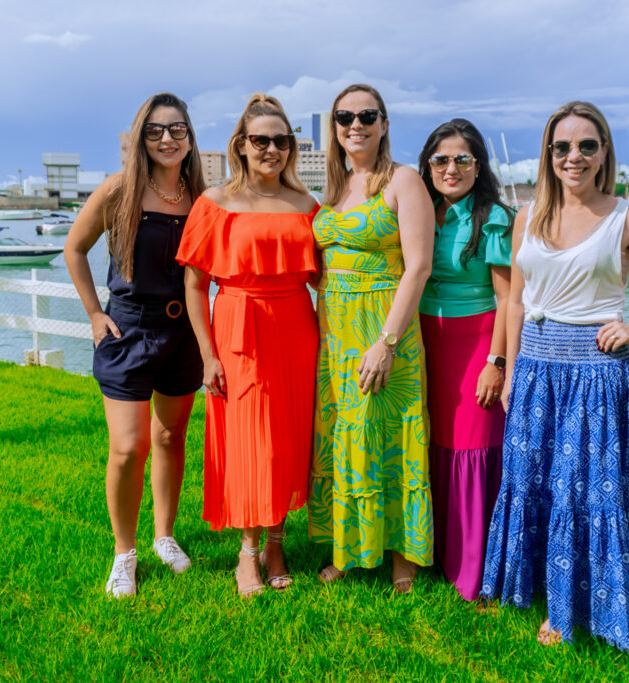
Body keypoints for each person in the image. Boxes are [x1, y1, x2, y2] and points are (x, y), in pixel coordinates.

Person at [480, 101, 629, 651]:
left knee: (583, 492)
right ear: (548, 154)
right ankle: (534, 587)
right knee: (533, 485)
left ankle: (568, 612)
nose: (573, 156)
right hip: (534, 366)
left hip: (596, 371)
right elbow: (516, 302)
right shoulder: (526, 215)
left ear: (604, 153)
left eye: (586, 146)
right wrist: (506, 366)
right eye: (561, 147)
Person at [64, 92, 206, 598]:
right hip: (128, 332)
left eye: (177, 130)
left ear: (190, 138)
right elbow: (74, 248)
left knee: (170, 439)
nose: (168, 139)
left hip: (183, 334)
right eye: (156, 131)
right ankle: (125, 552)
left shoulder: (200, 198)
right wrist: (95, 313)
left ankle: (164, 536)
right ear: (141, 137)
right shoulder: (118, 190)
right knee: (129, 448)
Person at [178, 94, 319, 598]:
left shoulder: (306, 205)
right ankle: (247, 552)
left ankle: (277, 543)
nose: (272, 149)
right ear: (241, 144)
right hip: (237, 327)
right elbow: (195, 285)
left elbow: (328, 279)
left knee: (287, 438)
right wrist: (207, 354)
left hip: (297, 329)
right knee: (248, 443)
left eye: (282, 141)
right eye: (261, 140)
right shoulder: (214, 203)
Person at [307, 84, 436, 593]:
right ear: (333, 126)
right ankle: (350, 547)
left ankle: (403, 558)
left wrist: (387, 341)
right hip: (334, 336)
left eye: (366, 115)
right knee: (346, 437)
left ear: (383, 124)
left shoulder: (403, 180)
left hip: (386, 330)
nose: (354, 124)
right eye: (344, 116)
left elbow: (419, 266)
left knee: (393, 441)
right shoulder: (333, 188)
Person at [416, 119, 514, 602]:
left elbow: (508, 297)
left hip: (476, 338)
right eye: (440, 159)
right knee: (432, 441)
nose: (450, 168)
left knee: (471, 447)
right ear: (427, 166)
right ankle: (428, 553)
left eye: (461, 159)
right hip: (424, 339)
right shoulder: (420, 211)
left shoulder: (492, 216)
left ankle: (472, 570)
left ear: (479, 165)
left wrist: (496, 360)